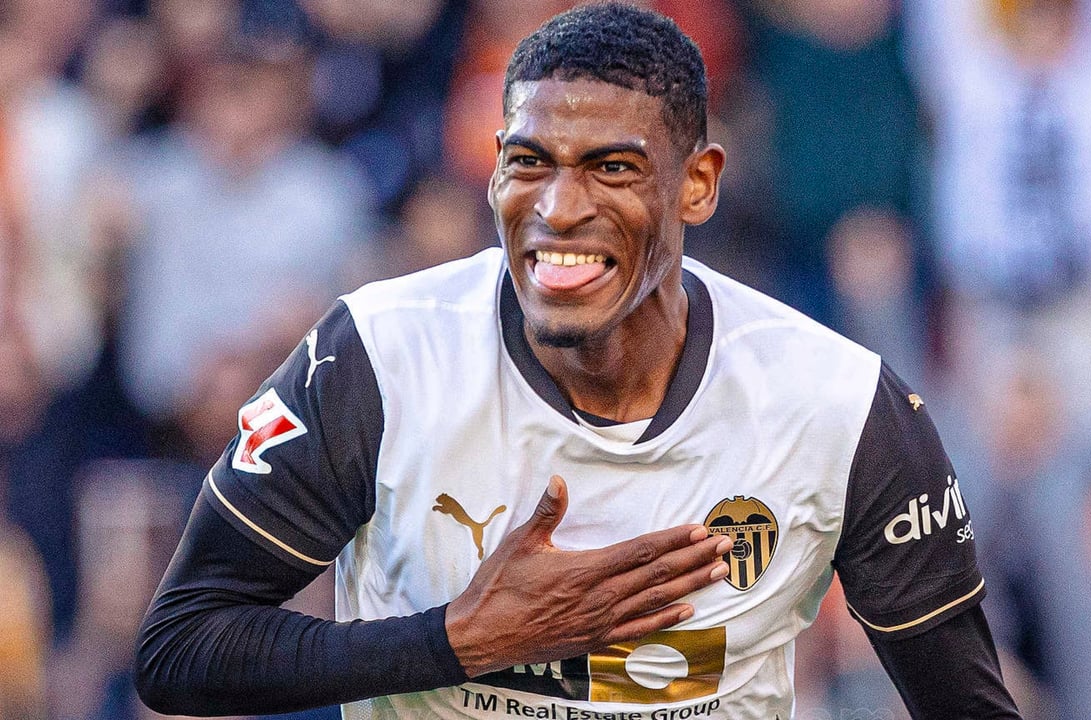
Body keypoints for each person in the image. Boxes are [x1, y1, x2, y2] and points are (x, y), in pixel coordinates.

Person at [134, 4, 1021, 718]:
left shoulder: (838, 404)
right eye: (530, 161)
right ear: (494, 172)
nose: (559, 207)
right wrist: (460, 641)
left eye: (612, 168)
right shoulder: (376, 355)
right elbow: (181, 647)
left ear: (699, 183)